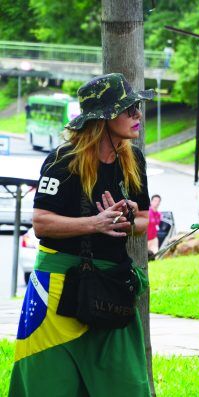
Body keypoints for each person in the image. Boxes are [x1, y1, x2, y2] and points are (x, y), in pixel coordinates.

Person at [9, 73, 153, 396]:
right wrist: (95, 223)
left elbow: (144, 220)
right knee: (50, 386)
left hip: (111, 290)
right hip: (57, 294)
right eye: (128, 110)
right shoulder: (63, 161)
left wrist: (128, 217)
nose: (137, 116)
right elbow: (41, 223)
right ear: (103, 118)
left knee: (127, 386)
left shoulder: (134, 161)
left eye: (137, 108)